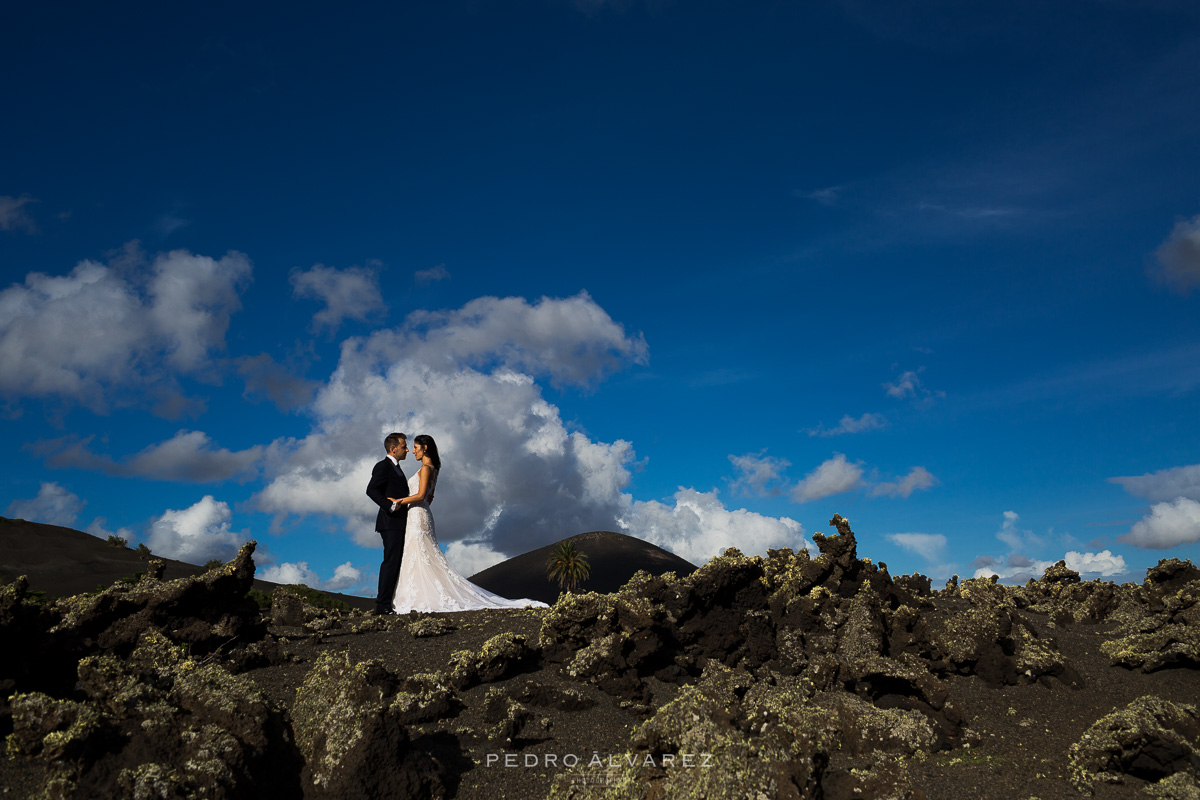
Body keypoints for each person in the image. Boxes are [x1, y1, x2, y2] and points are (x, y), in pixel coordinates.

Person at [389, 434, 547, 613]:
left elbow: (421, 495)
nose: (413, 451)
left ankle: (419, 596)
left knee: (419, 553)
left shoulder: (426, 468)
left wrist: (398, 501)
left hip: (417, 514)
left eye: (416, 448)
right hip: (423, 512)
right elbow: (431, 497)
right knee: (423, 554)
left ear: (425, 448)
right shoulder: (434, 468)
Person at [365, 431, 409, 615]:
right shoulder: (382, 466)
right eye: (403, 446)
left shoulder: (398, 468)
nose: (407, 449)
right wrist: (390, 505)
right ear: (393, 448)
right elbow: (371, 489)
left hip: (399, 522)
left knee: (396, 561)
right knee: (390, 562)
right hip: (390, 522)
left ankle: (389, 602)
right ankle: (382, 605)